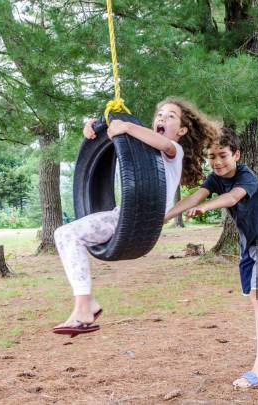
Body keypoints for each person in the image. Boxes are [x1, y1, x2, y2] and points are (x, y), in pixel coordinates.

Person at [53, 97, 218, 337]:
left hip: (138, 217)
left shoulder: (174, 150)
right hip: (126, 216)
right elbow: (109, 135)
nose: (162, 117)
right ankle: (87, 305)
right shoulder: (142, 150)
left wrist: (127, 126)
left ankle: (84, 308)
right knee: (66, 235)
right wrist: (93, 129)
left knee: (67, 234)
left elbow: (163, 144)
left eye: (171, 116)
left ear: (181, 130)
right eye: (159, 114)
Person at [164, 128, 258, 388]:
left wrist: (206, 207)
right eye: (212, 156)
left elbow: (232, 197)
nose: (217, 162)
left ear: (236, 154)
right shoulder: (215, 177)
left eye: (223, 155)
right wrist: (165, 217)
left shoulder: (247, 177)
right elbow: (195, 196)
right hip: (247, 242)